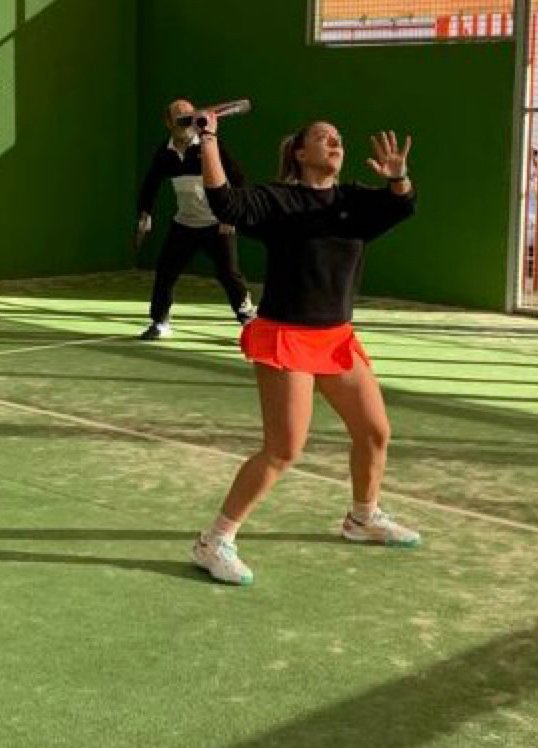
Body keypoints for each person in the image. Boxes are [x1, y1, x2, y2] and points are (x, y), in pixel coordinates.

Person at [191, 115, 420, 585]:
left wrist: (398, 177)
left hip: (336, 338)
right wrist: (208, 139)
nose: (334, 141)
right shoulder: (279, 200)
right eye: (322, 136)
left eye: (339, 137)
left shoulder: (353, 201)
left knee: (374, 431)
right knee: (283, 450)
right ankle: (214, 541)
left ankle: (362, 518)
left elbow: (402, 206)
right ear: (299, 153)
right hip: (286, 336)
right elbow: (224, 202)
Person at [135, 98, 256, 339]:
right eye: (180, 117)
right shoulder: (165, 152)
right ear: (169, 122)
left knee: (229, 275)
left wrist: (231, 216)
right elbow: (150, 184)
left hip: (217, 224)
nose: (186, 121)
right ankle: (160, 322)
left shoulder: (209, 146)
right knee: (165, 272)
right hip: (184, 225)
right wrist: (144, 214)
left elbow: (237, 179)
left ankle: (249, 322)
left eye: (190, 116)